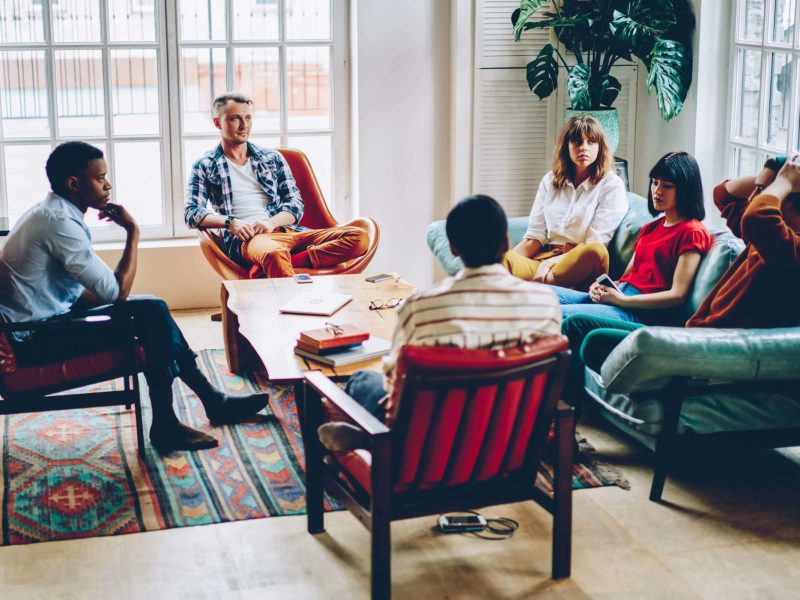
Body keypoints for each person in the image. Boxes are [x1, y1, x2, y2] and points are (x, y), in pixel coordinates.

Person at [0, 141, 267, 452]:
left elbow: (80, 291)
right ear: (73, 184)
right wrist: (133, 231)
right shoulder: (59, 224)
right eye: (100, 178)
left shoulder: (49, 213)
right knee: (152, 313)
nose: (108, 185)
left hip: (37, 325)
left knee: (153, 313)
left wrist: (128, 311)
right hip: (31, 341)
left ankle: (208, 403)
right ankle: (176, 420)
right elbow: (116, 292)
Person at [317, 195, 563, 452]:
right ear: (506, 243)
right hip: (509, 443)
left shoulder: (419, 307)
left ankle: (369, 440)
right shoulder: (546, 304)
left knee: (362, 380)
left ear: (453, 249)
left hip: (432, 447)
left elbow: (394, 383)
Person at [562, 154, 800, 394]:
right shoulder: (763, 242)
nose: (753, 199)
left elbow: (757, 219)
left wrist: (782, 182)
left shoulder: (787, 248)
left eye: (765, 194)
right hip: (690, 334)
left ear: (787, 202)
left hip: (707, 347)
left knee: (580, 329)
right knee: (550, 305)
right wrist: (769, 177)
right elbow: (723, 194)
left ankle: (561, 409)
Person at [185, 91, 369, 278]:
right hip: (250, 240)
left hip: (288, 231)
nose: (244, 125)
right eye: (235, 119)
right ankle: (295, 305)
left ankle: (283, 262)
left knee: (360, 238)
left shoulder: (271, 158)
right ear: (218, 123)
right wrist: (231, 223)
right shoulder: (205, 165)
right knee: (274, 253)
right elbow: (191, 212)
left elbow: (295, 205)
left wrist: (270, 223)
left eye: (248, 118)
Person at [553, 151, 712, 327]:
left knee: (557, 314)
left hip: (639, 312)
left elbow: (677, 295)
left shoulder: (692, 232)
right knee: (538, 295)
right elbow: (626, 278)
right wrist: (600, 288)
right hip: (621, 297)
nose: (657, 191)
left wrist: (623, 301)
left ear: (685, 190)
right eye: (654, 182)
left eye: (667, 186)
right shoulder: (651, 228)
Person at [503, 115, 628, 290]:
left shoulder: (611, 185)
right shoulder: (550, 180)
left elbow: (595, 242)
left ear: (600, 147)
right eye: (577, 142)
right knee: (496, 260)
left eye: (591, 142)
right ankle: (543, 288)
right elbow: (534, 238)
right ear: (567, 146)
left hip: (578, 263)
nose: (583, 148)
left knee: (595, 251)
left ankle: (536, 289)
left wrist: (548, 266)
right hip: (543, 259)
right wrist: (501, 264)